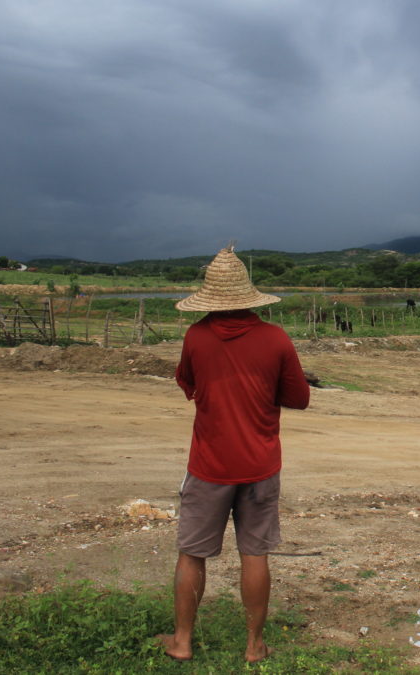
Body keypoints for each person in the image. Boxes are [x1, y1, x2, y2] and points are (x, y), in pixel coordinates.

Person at [158, 246, 310, 664]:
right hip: (260, 465)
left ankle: (183, 641)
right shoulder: (275, 338)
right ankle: (254, 646)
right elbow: (299, 397)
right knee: (255, 554)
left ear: (209, 299)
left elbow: (187, 384)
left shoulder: (196, 337)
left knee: (192, 553)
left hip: (209, 465)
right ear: (249, 296)